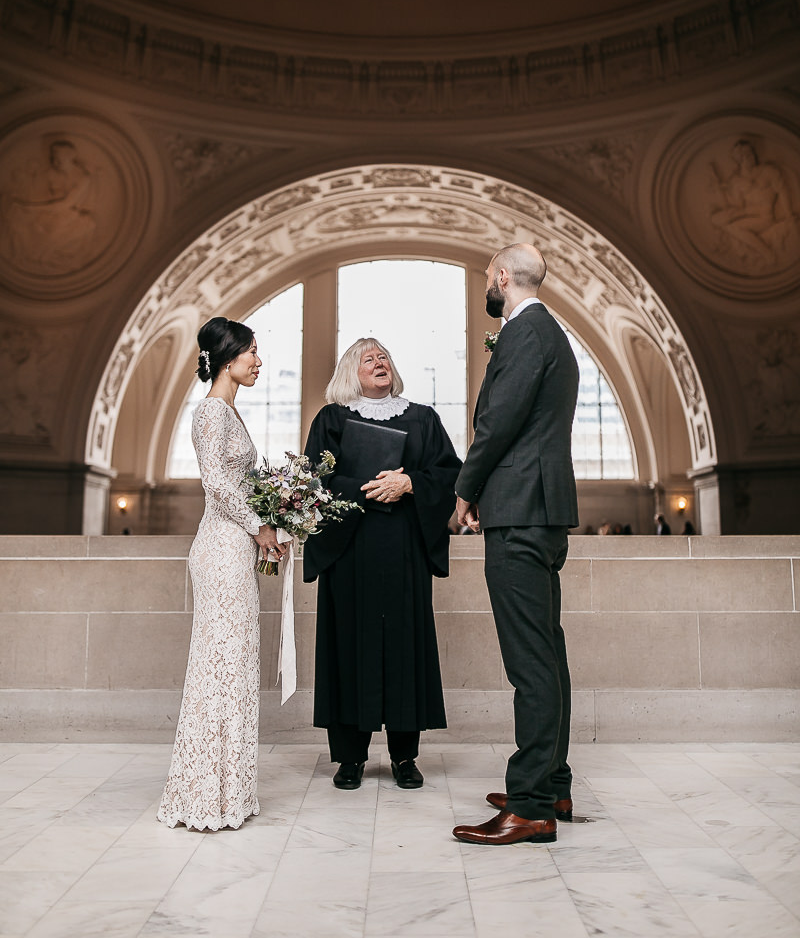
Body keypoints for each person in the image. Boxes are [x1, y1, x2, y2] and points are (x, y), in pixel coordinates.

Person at [452, 243, 579, 846]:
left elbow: (496, 422)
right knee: (546, 653)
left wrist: (465, 491)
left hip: (521, 511)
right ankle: (551, 783)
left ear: (503, 277)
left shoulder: (526, 333)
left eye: (488, 277)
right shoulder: (550, 333)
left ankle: (530, 806)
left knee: (529, 662)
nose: (488, 286)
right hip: (540, 510)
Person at [303, 338, 461, 791]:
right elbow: (316, 478)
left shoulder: (422, 418)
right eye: (368, 358)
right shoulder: (332, 418)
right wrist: (373, 487)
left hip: (404, 554)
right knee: (348, 646)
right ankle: (350, 758)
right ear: (350, 371)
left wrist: (409, 482)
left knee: (403, 648)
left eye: (384, 356)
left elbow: (449, 472)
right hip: (349, 555)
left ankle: (404, 757)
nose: (379, 362)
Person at [157, 317, 287, 830]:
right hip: (220, 549)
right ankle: (203, 794)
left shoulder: (229, 412)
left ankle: (226, 789)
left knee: (234, 667)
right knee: (220, 668)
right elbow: (216, 483)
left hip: (235, 546)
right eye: (252, 351)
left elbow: (242, 484)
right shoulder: (212, 412)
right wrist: (262, 527)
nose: (259, 361)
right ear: (228, 356)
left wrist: (277, 514)